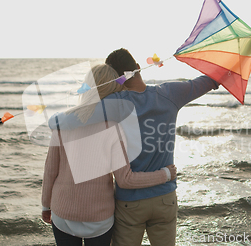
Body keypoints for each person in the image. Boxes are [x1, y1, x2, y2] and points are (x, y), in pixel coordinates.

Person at [51, 49, 219, 245]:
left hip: (130, 202)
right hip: (164, 197)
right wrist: (230, 67)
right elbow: (209, 81)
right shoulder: (170, 93)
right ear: (138, 67)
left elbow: (74, 118)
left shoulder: (112, 103)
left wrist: (55, 122)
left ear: (115, 80)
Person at [41, 64, 177, 246]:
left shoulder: (62, 123)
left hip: (63, 213)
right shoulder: (113, 128)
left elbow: (50, 171)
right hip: (98, 218)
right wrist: (166, 174)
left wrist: (45, 206)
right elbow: (125, 180)